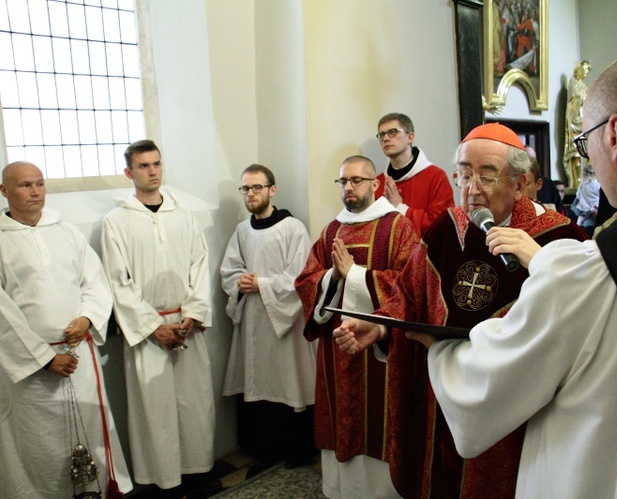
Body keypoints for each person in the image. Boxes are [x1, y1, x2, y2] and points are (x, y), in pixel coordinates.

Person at [372, 47, 617, 497]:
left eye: (583, 138)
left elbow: (478, 399)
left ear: (614, 135)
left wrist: (439, 347)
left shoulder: (584, 278)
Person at [333, 123, 588, 498]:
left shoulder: (562, 240)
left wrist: (542, 265)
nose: (471, 191)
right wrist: (384, 327)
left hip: (515, 408)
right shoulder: (447, 229)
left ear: (519, 184)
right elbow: (408, 293)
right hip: (445, 401)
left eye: (486, 177)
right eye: (464, 175)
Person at [0, 161, 132, 498]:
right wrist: (45, 358)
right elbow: (3, 314)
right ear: (4, 191)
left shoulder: (66, 231)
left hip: (78, 357)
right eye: (25, 185)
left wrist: (87, 317)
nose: (35, 192)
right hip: (31, 369)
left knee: (88, 429)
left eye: (40, 184)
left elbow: (96, 282)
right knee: (41, 445)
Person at [295, 155, 419, 498]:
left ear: (375, 183)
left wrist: (357, 276)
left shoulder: (397, 227)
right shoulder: (332, 230)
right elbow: (306, 280)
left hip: (379, 351)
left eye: (357, 180)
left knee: (378, 420)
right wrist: (333, 275)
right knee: (342, 421)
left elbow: (412, 285)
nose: (349, 188)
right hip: (336, 348)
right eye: (343, 182)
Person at [101, 140, 218, 493]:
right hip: (149, 333)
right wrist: (154, 327)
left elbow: (200, 265)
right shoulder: (116, 221)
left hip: (186, 325)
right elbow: (118, 281)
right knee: (155, 411)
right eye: (143, 166)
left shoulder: (182, 214)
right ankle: (163, 481)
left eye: (156, 164)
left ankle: (198, 472)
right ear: (129, 172)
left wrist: (194, 313)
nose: (152, 171)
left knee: (194, 403)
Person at [220, 164, 317, 469]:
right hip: (253, 318)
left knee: (290, 381)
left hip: (285, 320)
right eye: (245, 189)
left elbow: (301, 275)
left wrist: (260, 284)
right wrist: (239, 281)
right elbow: (229, 269)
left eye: (257, 188)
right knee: (260, 380)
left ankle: (298, 449)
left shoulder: (292, 228)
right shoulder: (242, 230)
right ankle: (267, 448)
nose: (250, 194)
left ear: (272, 190)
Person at [375, 112, 454, 236]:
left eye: (392, 132)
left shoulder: (435, 176)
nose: (385, 138)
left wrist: (399, 207)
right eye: (381, 134)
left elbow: (442, 226)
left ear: (410, 137)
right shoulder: (377, 183)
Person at [563, 60, 592, 189]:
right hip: (575, 120)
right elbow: (574, 103)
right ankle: (575, 182)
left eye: (587, 71)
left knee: (588, 153)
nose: (585, 73)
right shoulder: (573, 83)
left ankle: (586, 181)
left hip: (583, 120)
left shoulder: (583, 85)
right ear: (578, 69)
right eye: (584, 69)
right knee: (575, 153)